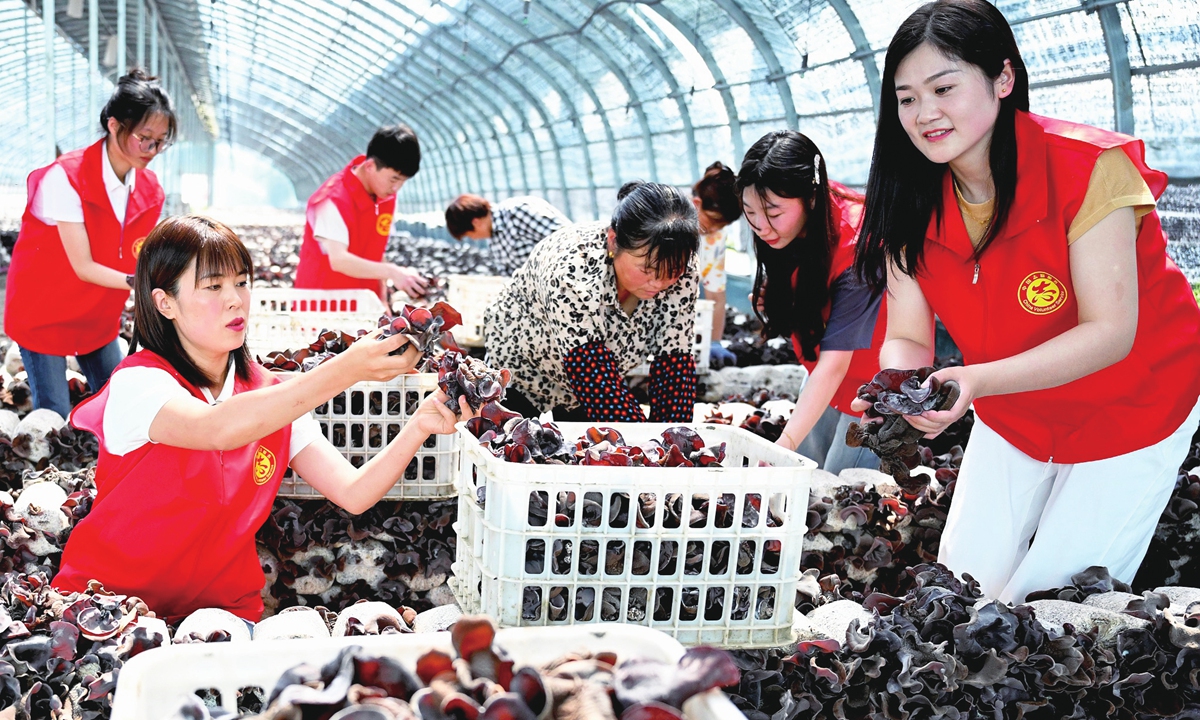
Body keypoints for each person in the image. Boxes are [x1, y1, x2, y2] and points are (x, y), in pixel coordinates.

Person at [853, 0, 1200, 604]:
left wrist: (974, 381)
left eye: (943, 88)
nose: (923, 113)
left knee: (1055, 604)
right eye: (906, 98)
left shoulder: (1090, 168)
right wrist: (902, 385)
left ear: (1003, 79)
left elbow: (1110, 331)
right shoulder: (905, 196)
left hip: (1133, 402)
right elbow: (909, 332)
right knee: (959, 590)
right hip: (1012, 404)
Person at [53, 216, 475, 622]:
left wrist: (419, 426)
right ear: (165, 303)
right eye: (212, 286)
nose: (235, 299)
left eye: (241, 282)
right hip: (103, 603)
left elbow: (354, 492)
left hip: (219, 614)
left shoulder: (270, 393)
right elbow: (216, 428)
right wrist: (348, 368)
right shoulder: (140, 382)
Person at [4, 69, 173, 419]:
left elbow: (140, 252)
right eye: (145, 138)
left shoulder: (150, 190)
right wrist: (140, 284)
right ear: (114, 125)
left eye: (161, 140)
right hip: (45, 314)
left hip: (98, 316)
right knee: (54, 413)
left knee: (122, 408)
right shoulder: (66, 178)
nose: (153, 150)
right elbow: (83, 265)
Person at [484, 182, 699, 423]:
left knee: (588, 451)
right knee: (509, 439)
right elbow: (589, 365)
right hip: (523, 361)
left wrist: (670, 438)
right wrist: (642, 441)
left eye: (673, 270)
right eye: (647, 269)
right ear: (613, 241)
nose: (658, 282)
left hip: (595, 375)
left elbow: (675, 358)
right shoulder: (573, 268)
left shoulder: (685, 269)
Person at [738, 131, 886, 475]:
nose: (760, 226)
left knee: (841, 487)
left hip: (873, 386)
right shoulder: (796, 216)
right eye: (750, 213)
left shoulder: (859, 245)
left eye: (772, 213)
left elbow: (835, 364)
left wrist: (783, 446)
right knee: (802, 475)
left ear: (812, 198)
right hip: (822, 368)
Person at [294, 124, 428, 302]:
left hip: (363, 303)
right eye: (394, 179)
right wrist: (392, 272)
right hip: (323, 304)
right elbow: (339, 260)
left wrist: (383, 301)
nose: (396, 188)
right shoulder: (332, 198)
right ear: (370, 166)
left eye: (403, 181)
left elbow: (376, 250)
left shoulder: (385, 197)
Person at [691, 162, 742, 366]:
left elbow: (716, 295)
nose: (714, 228)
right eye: (712, 220)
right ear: (696, 203)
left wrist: (714, 342)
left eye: (722, 225)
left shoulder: (715, 239)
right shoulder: (666, 227)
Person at [444, 194, 570, 275]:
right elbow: (509, 276)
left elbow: (567, 239)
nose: (473, 239)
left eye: (470, 235)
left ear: (476, 223)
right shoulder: (493, 242)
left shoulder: (518, 212)